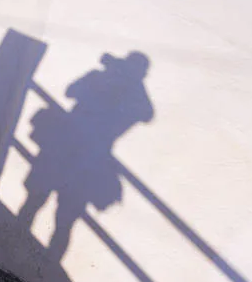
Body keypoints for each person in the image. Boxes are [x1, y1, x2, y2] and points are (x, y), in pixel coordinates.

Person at [18, 52, 154, 260]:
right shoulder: (116, 87)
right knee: (48, 208)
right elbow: (70, 91)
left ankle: (37, 260)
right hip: (79, 156)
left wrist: (118, 76)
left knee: (55, 214)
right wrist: (120, 79)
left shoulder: (118, 89)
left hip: (75, 155)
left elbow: (147, 114)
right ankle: (31, 255)